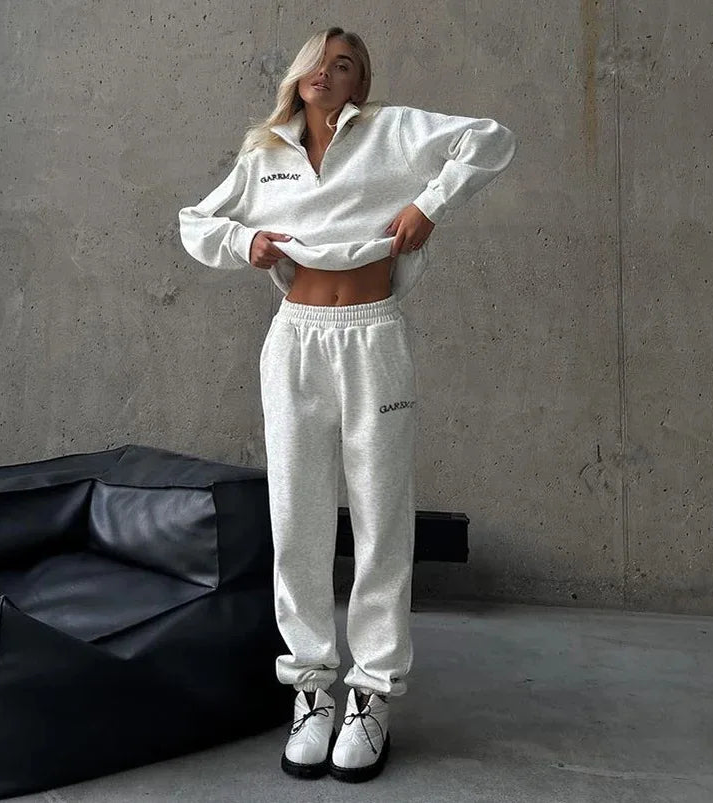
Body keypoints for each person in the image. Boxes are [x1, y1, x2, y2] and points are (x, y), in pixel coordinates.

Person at [178, 26, 517, 783]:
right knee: (296, 516)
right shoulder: (266, 155)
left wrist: (430, 203)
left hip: (372, 339)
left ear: (360, 83)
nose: (327, 74)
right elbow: (196, 221)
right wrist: (244, 245)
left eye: (345, 66)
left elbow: (492, 138)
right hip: (294, 341)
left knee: (380, 517)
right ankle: (310, 691)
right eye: (318, 63)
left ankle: (372, 694)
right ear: (298, 76)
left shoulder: (392, 132)